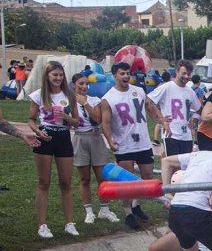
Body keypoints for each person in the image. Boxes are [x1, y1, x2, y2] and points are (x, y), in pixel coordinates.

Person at [100, 61, 165, 230]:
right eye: (122, 73)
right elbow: (105, 122)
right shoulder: (108, 98)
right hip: (124, 145)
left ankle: (136, 205)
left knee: (147, 177)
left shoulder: (139, 91)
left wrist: (161, 119)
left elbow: (151, 107)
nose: (126, 76)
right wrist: (110, 139)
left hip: (143, 143)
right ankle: (128, 212)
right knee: (127, 183)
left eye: (128, 73)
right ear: (114, 76)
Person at [28, 61, 80, 239]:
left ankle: (69, 223)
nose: (58, 78)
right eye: (54, 75)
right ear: (47, 76)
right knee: (44, 182)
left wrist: (66, 116)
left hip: (63, 137)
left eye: (60, 75)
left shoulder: (70, 95)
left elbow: (76, 122)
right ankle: (42, 225)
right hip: (45, 137)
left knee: (66, 183)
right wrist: (37, 131)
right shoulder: (38, 95)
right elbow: (31, 119)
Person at [70, 73, 119, 224]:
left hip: (96, 137)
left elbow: (97, 119)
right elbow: (74, 122)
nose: (84, 87)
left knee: (102, 176)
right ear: (74, 86)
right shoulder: (70, 101)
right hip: (80, 138)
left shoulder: (94, 100)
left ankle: (104, 209)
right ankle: (89, 211)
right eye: (81, 84)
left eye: (86, 84)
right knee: (84, 178)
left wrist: (85, 103)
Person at [148, 60, 203, 157]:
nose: (186, 76)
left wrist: (194, 121)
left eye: (189, 74)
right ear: (177, 71)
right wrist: (161, 119)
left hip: (186, 136)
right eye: (184, 73)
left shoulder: (190, 92)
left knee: (184, 167)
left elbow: (199, 109)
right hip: (171, 134)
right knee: (172, 165)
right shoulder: (166, 87)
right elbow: (149, 101)